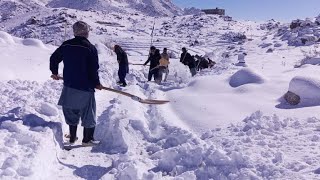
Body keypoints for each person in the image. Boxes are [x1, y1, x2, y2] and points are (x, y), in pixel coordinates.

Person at [50, 21, 102, 146]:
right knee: (88, 113)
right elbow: (93, 68)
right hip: (85, 87)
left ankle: (72, 137)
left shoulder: (66, 45)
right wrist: (96, 83)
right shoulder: (90, 48)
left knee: (71, 111)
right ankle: (87, 140)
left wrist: (55, 72)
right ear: (86, 32)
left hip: (69, 86)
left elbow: (54, 58)